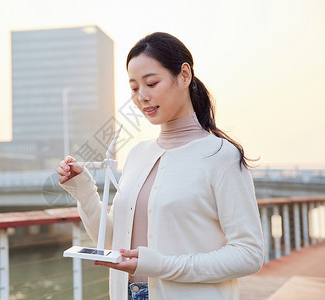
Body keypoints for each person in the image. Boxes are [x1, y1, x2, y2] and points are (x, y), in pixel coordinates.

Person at [57, 32, 264, 300]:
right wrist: (83, 190)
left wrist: (160, 265)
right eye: (133, 88)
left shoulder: (221, 156)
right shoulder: (137, 154)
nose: (142, 96)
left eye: (151, 83)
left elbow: (249, 254)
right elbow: (112, 243)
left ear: (184, 75)